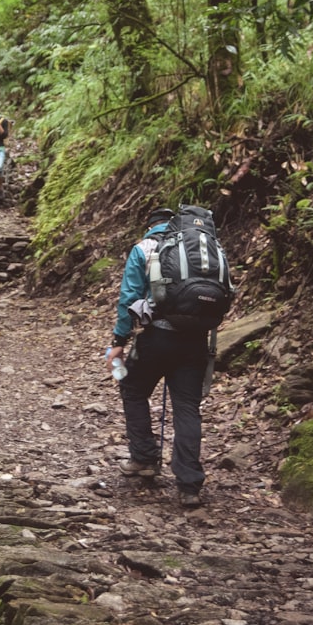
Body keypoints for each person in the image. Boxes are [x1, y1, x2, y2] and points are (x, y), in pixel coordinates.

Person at [105, 207, 209, 508]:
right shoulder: (200, 246)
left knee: (133, 389)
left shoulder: (144, 248)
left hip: (158, 337)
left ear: (149, 225)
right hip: (195, 340)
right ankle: (190, 485)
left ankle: (144, 459)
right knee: (187, 407)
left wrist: (119, 341)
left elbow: (129, 298)